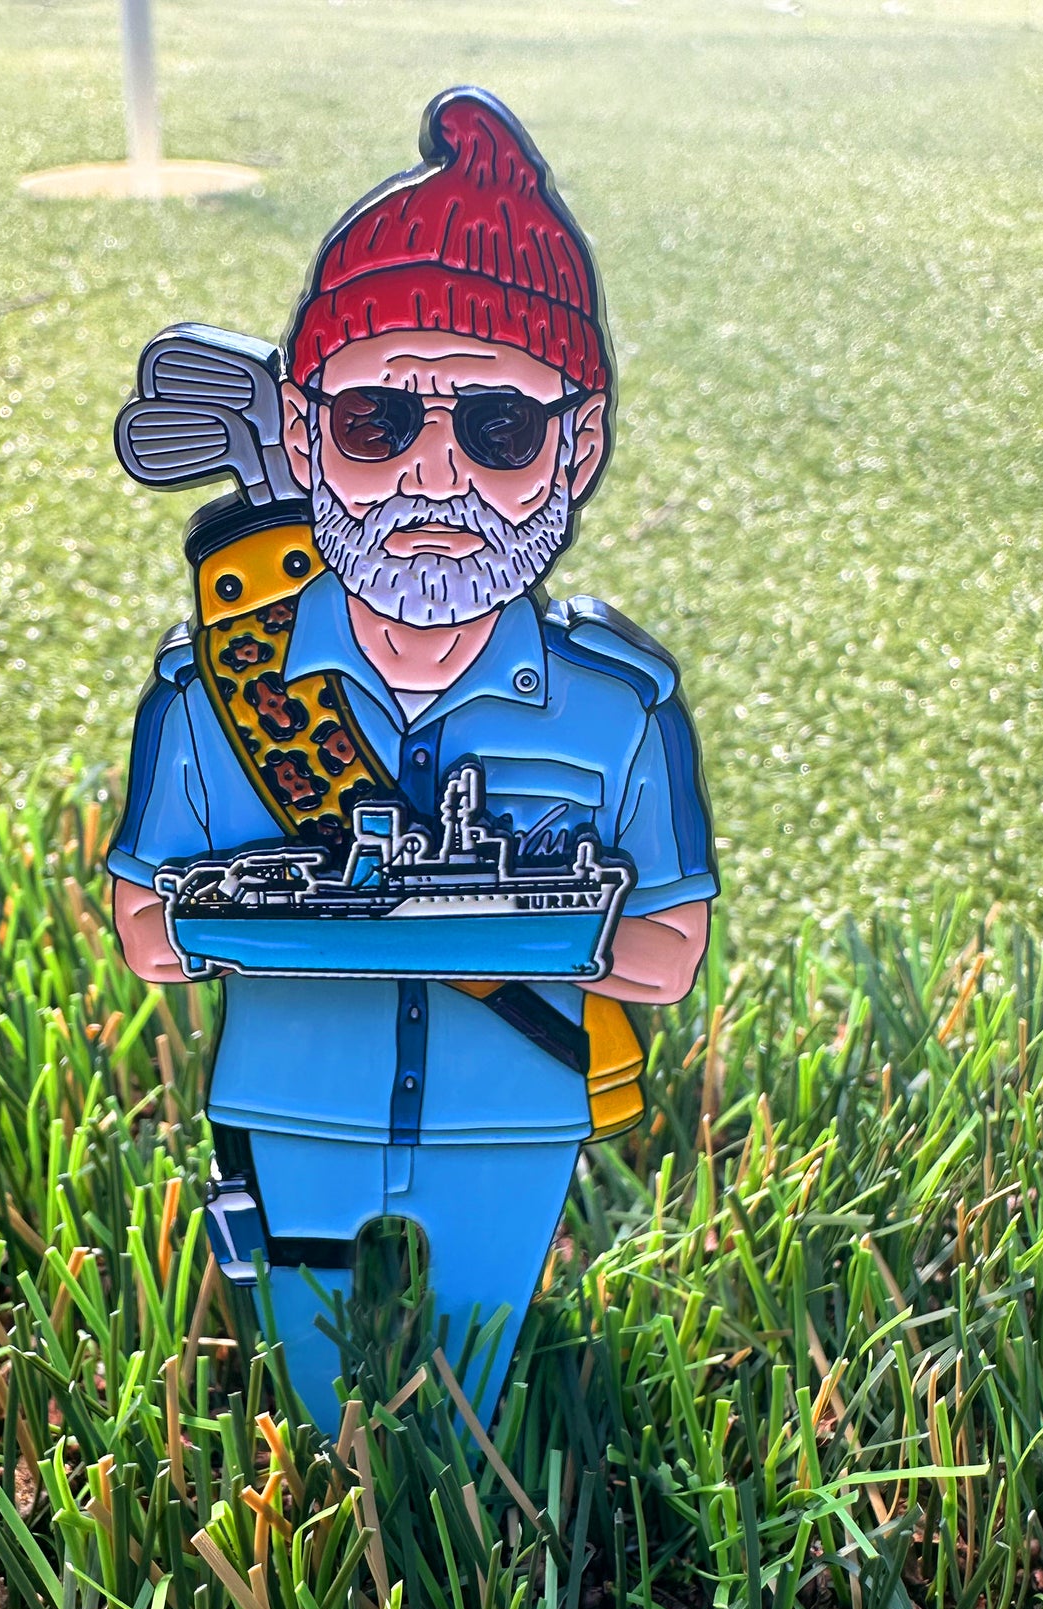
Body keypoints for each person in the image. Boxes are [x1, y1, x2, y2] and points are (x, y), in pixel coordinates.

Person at [108, 88, 718, 1429]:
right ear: (302, 431)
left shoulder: (620, 711)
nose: (434, 477)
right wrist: (345, 916)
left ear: (581, 447)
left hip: (510, 1117)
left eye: (499, 430)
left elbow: (669, 955)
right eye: (379, 423)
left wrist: (438, 925)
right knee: (309, 1397)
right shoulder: (211, 694)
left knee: (479, 1387)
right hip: (294, 1102)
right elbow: (148, 933)